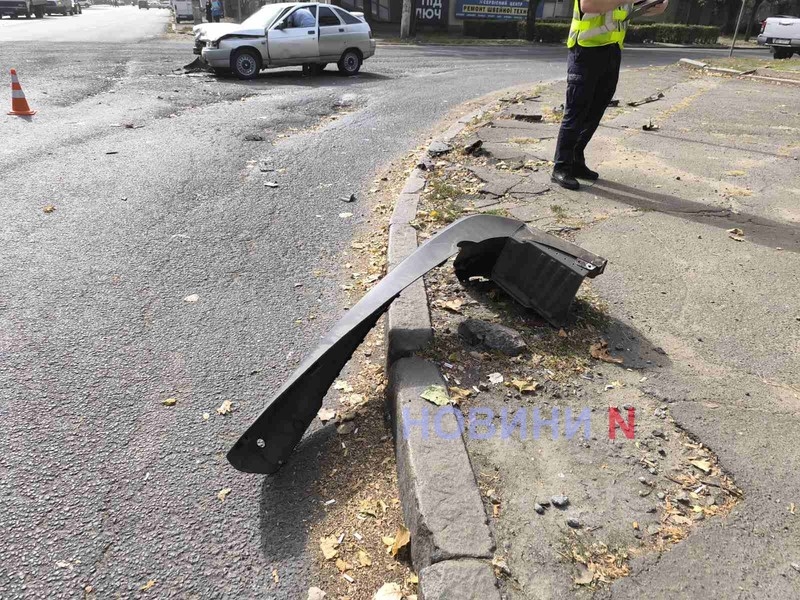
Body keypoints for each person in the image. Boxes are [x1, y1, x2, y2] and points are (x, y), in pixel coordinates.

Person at [551, 0, 668, 190]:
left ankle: (576, 160)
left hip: (612, 50)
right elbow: (588, 5)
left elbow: (641, 7)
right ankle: (561, 167)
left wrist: (659, 4)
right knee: (576, 110)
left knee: (595, 110)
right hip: (585, 49)